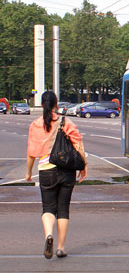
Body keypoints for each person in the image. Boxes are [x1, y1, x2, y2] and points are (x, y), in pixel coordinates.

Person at [25, 91, 87, 259]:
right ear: (56, 104)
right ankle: (60, 248)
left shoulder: (36, 124)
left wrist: (29, 172)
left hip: (46, 170)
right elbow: (78, 143)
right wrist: (83, 166)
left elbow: (31, 153)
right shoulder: (65, 121)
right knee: (63, 209)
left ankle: (48, 235)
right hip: (67, 170)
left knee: (48, 208)